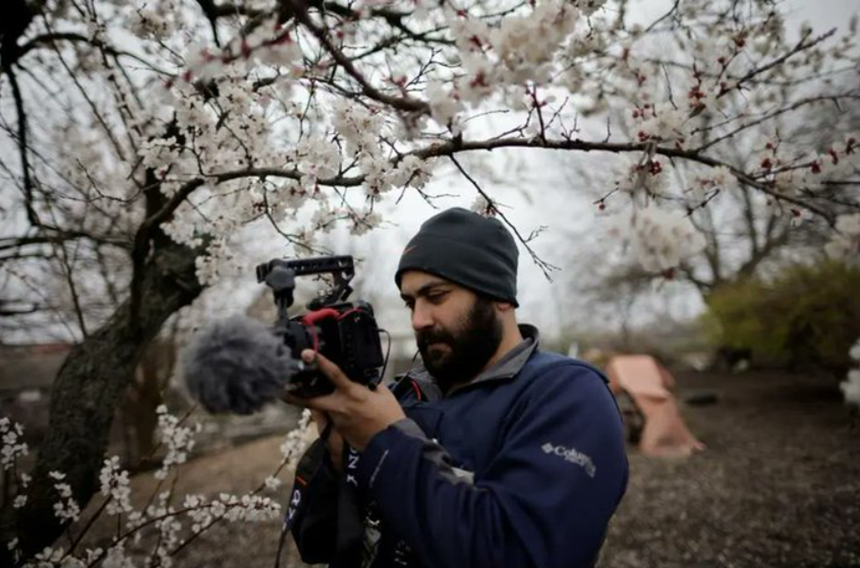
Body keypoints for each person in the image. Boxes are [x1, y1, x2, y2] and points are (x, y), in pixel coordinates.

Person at [283, 207, 628, 568]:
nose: (418, 320)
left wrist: (383, 441)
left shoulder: (567, 396)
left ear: (500, 296)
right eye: (410, 302)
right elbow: (317, 543)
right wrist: (340, 460)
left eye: (436, 296)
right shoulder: (402, 396)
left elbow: (519, 552)